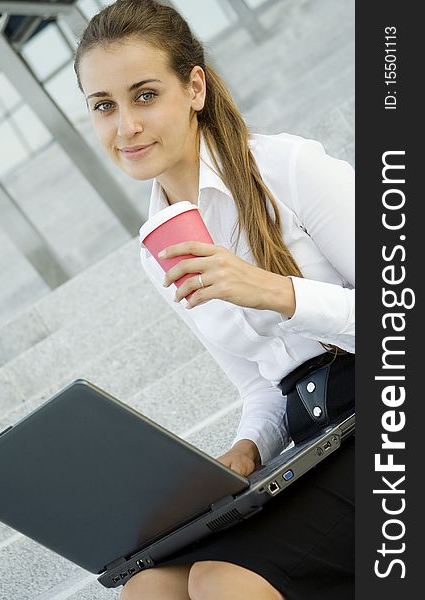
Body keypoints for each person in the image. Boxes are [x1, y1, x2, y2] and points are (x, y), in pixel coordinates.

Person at [73, 1, 355, 598]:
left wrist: (276, 292)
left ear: (194, 86)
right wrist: (247, 450)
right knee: (148, 586)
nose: (125, 127)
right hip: (313, 433)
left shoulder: (290, 168)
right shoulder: (158, 251)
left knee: (223, 580)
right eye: (104, 106)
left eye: (144, 95)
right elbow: (262, 385)